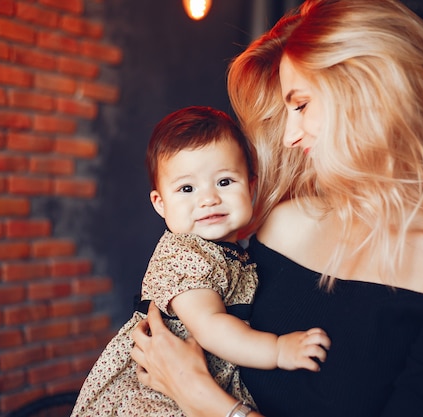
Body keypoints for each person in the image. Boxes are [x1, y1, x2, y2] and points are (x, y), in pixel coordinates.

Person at [130, 1, 423, 416]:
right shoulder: (286, 224)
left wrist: (202, 398)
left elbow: (198, 382)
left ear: (369, 91)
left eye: (300, 105)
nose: (289, 137)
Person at [71, 106, 330, 417]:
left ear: (251, 186)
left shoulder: (235, 253)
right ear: (160, 203)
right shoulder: (184, 254)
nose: (208, 199)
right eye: (187, 189)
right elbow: (209, 327)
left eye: (224, 182)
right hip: (152, 400)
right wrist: (278, 350)